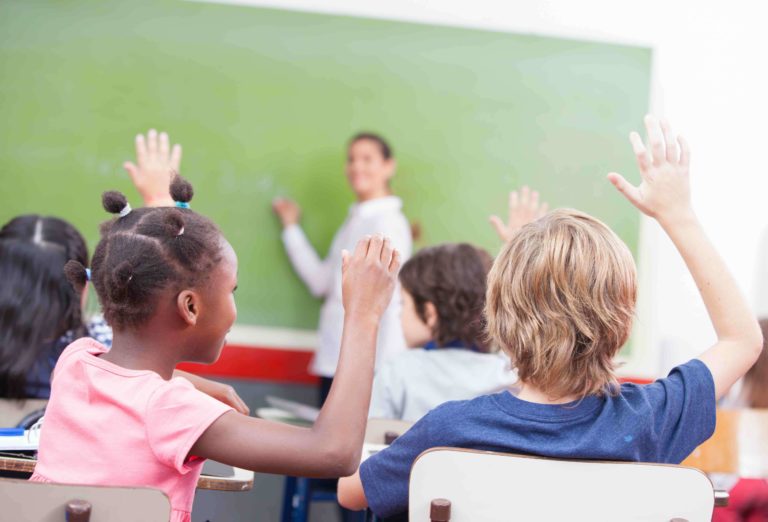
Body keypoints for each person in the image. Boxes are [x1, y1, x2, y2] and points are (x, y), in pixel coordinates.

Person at [337, 116, 764, 519]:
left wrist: (362, 317)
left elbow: (350, 492)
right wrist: (678, 215)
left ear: (498, 316)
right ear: (623, 322)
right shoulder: (647, 421)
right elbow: (743, 341)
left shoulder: (449, 432)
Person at [31, 174, 401, 522]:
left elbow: (128, 382)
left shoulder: (76, 360)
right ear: (190, 307)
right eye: (231, 291)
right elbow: (334, 453)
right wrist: (364, 316)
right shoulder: (175, 411)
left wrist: (200, 385)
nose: (233, 306)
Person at [0, 129, 246, 412]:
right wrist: (159, 200)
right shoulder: (90, 346)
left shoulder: (82, 355)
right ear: (81, 285)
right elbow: (142, 346)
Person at [273, 132, 412, 404]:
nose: (356, 167)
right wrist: (291, 229)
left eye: (367, 159)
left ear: (388, 166)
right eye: (351, 159)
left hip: (363, 367)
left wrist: (378, 372)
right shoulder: (356, 220)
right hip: (336, 359)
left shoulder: (388, 223)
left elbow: (386, 298)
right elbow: (322, 282)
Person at [368, 242, 516, 422]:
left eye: (403, 304)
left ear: (430, 314)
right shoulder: (507, 374)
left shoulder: (398, 371)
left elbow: (369, 439)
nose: (400, 315)